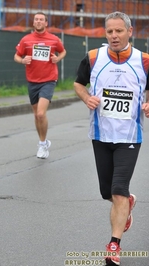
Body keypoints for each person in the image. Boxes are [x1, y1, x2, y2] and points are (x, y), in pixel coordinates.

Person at [74, 11, 149, 266]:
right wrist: (87, 98)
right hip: (100, 134)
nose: (114, 36)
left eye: (119, 31)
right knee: (107, 191)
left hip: (129, 136)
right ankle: (127, 203)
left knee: (118, 189)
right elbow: (78, 84)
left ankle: (114, 245)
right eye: (110, 32)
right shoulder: (94, 57)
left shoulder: (144, 60)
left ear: (130, 32)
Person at [14, 12, 67, 159]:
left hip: (49, 79)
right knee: (36, 116)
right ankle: (42, 141)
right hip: (32, 80)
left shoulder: (53, 39)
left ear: (46, 23)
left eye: (41, 20)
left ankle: (43, 144)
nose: (38, 21)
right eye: (36, 19)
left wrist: (57, 58)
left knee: (40, 113)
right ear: (33, 23)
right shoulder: (26, 40)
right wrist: (22, 60)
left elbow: (63, 51)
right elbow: (17, 55)